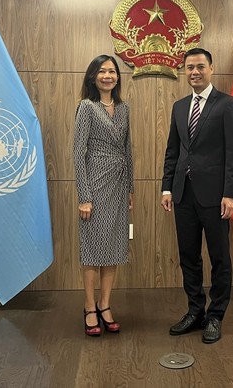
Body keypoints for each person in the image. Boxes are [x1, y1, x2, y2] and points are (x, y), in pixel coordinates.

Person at [161, 47, 233, 344]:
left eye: (200, 66)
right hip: (183, 194)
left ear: (211, 68)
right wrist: (167, 187)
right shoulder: (180, 107)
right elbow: (174, 151)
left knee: (220, 258)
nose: (194, 72)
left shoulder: (227, 105)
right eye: (189, 67)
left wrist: (231, 194)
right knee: (189, 257)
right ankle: (195, 311)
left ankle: (216, 315)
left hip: (215, 197)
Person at [74, 54, 134, 336]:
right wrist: (84, 195)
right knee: (92, 248)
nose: (108, 76)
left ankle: (105, 304)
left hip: (119, 185)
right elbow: (78, 153)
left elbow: (128, 150)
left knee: (114, 247)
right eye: (102, 71)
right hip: (95, 185)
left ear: (118, 77)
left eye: (112, 71)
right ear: (93, 77)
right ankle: (88, 307)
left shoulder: (124, 108)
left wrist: (130, 188)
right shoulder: (86, 107)